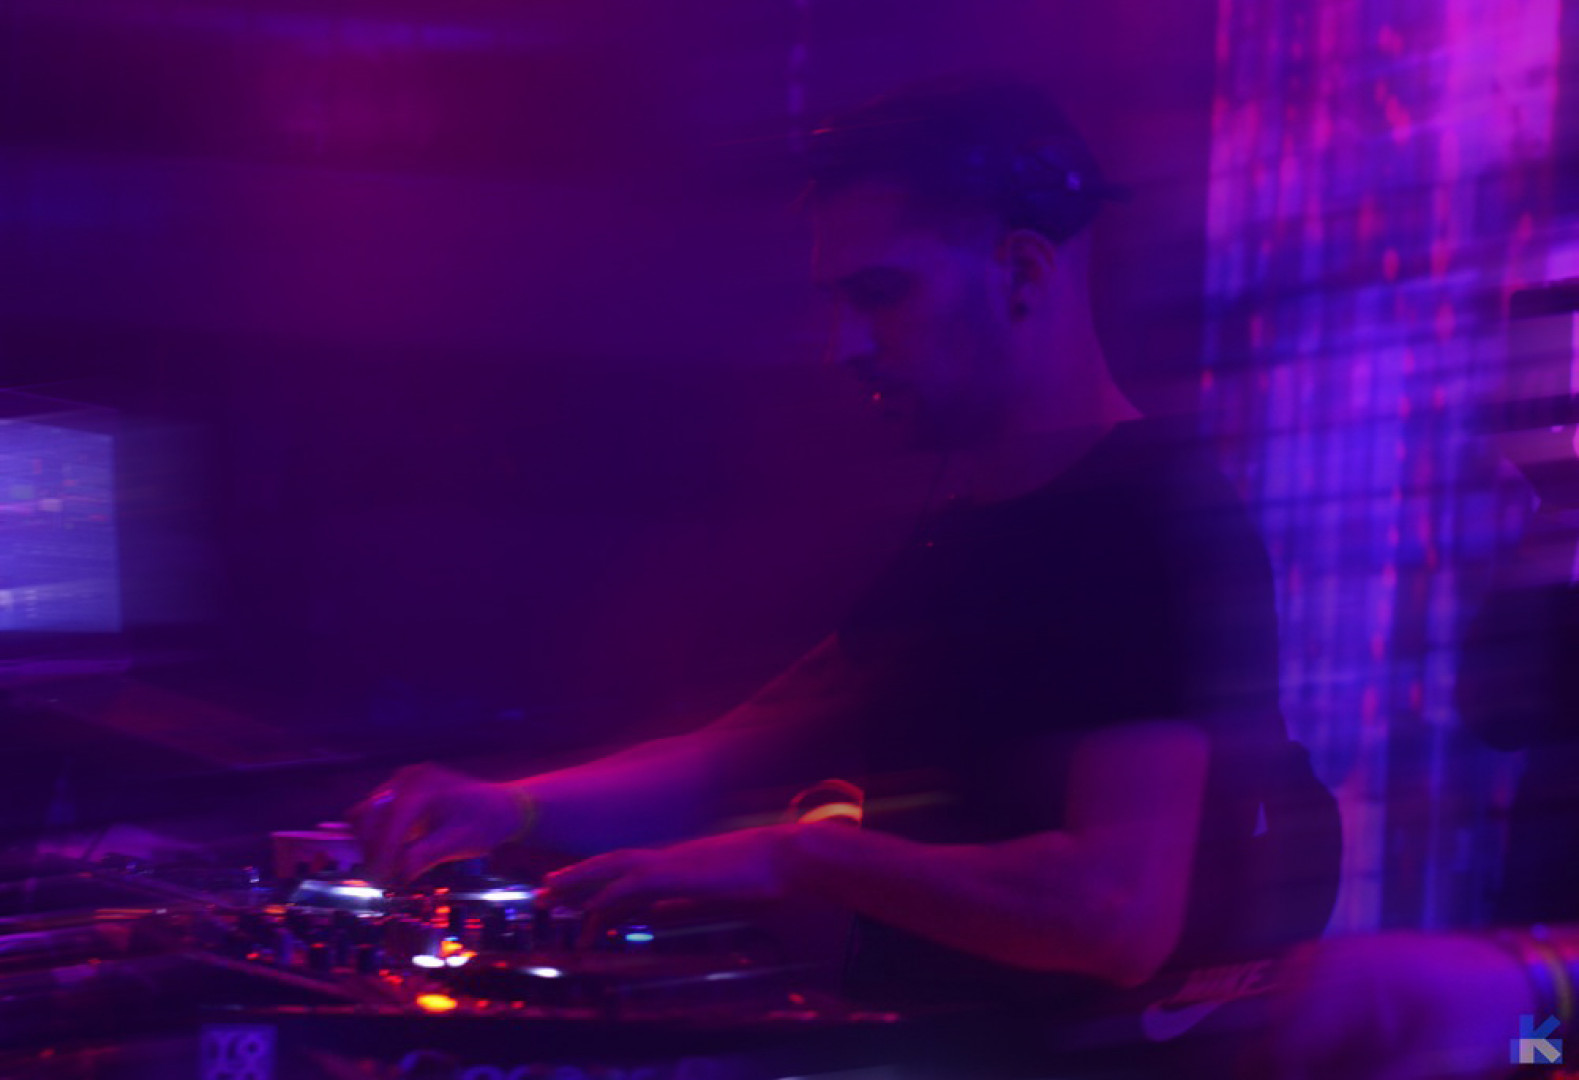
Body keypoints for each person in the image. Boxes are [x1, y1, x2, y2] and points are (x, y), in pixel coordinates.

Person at [351, 76, 1333, 1030]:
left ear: (1024, 273)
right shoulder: (978, 527)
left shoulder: (1139, 521)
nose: (845, 346)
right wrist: (509, 808)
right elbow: (744, 750)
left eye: (880, 294)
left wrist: (801, 858)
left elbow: (1113, 912)